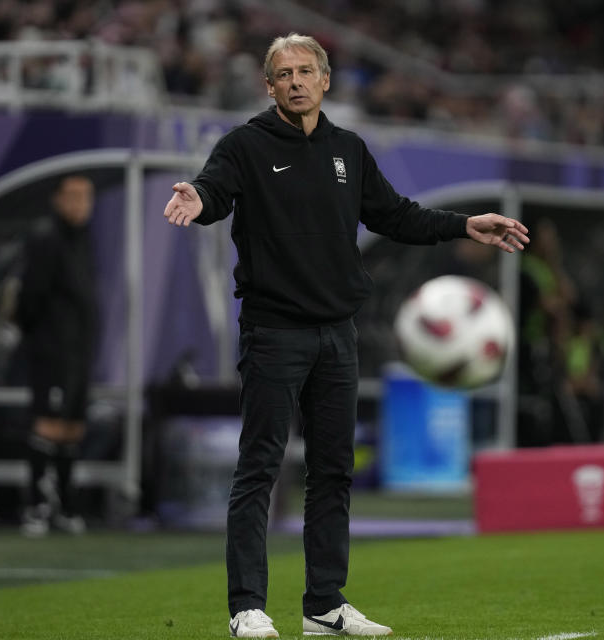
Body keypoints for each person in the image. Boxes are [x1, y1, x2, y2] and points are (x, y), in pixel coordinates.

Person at [163, 33, 529, 639]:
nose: (295, 81)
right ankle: (247, 607)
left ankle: (324, 606)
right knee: (260, 467)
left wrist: (466, 224)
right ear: (270, 85)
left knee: (333, 471)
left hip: (337, 334)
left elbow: (395, 215)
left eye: (306, 71)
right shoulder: (245, 146)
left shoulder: (348, 150)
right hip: (274, 332)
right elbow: (214, 191)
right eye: (283, 74)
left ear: (325, 80)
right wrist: (196, 198)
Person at [16, 175, 97, 536]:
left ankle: (65, 507)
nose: (81, 203)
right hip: (52, 351)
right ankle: (36, 507)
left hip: (79, 352)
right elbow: (29, 299)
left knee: (72, 428)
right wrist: (44, 338)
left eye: (87, 197)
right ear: (58, 199)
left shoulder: (84, 240)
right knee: (48, 423)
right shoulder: (45, 238)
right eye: (74, 196)